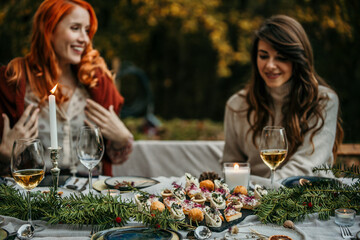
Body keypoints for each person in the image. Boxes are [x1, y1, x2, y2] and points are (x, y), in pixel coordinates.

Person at [0, 0, 133, 176]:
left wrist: (122, 139)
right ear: (49, 29)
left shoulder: (97, 82)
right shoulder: (12, 80)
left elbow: (111, 157)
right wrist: (4, 155)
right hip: (34, 196)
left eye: (87, 30)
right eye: (75, 28)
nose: (84, 39)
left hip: (91, 195)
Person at [222, 15, 343, 179]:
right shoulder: (237, 105)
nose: (270, 65)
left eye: (281, 58)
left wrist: (265, 189)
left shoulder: (323, 101)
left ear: (298, 60)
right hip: (256, 202)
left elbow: (307, 165)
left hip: (310, 198)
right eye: (263, 56)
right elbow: (232, 165)